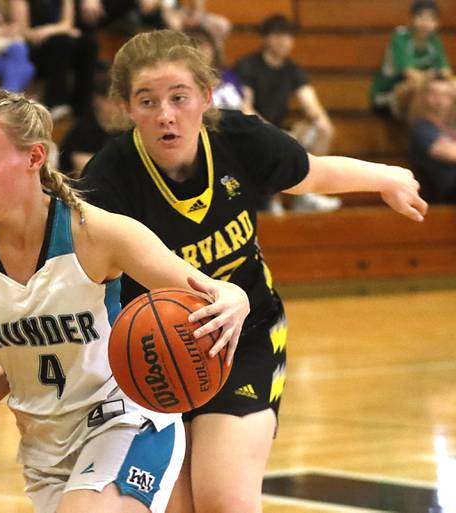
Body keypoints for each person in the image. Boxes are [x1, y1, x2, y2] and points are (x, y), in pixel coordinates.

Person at [79, 29, 428, 513]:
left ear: (205, 96)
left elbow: (312, 172)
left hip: (247, 337)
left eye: (179, 97)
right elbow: (73, 292)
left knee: (224, 500)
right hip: (153, 354)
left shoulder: (238, 139)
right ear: (125, 108)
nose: (165, 114)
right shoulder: (106, 181)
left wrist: (384, 176)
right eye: (147, 100)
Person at [0, 88, 251, 513]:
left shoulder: (97, 233)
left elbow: (210, 290)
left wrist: (236, 296)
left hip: (126, 418)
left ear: (34, 158)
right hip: (43, 445)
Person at [234, 14, 339, 212]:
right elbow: (245, 108)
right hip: (252, 128)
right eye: (278, 35)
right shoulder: (248, 65)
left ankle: (309, 193)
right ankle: (271, 200)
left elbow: (311, 104)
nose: (284, 41)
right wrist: (275, 133)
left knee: (323, 129)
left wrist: (321, 121)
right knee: (274, 141)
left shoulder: (293, 70)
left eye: (288, 36)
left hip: (279, 128)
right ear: (265, 38)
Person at [370, 0, 451, 121]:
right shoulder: (401, 37)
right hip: (387, 94)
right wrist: (431, 78)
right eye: (421, 17)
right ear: (411, 19)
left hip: (421, 88)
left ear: (436, 23)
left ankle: (446, 134)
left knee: (449, 90)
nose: (425, 23)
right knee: (418, 88)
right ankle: (422, 136)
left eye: (430, 18)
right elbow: (410, 74)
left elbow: (446, 72)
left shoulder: (434, 41)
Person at [408, 75, 456, 203]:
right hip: (443, 189)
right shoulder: (421, 127)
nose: (440, 100)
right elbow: (450, 154)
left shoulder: (452, 125)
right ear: (424, 96)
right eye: (434, 94)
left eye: (445, 95)